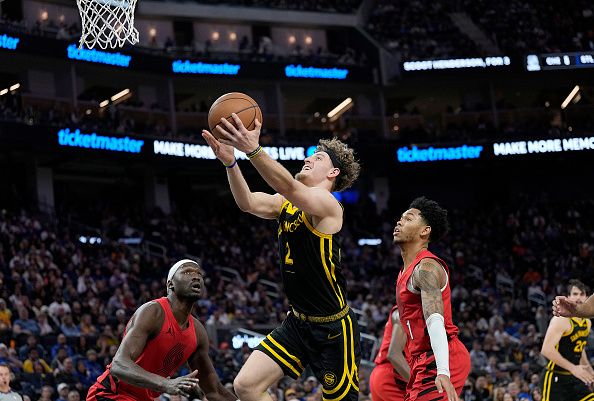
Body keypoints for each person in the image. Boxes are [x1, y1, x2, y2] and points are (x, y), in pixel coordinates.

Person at [202, 114, 362, 401]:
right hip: (298, 322)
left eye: (319, 158)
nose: (309, 159)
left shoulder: (328, 205)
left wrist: (252, 148)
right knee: (246, 386)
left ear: (333, 173)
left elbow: (288, 186)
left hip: (334, 328)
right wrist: (230, 163)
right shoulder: (285, 204)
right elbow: (248, 202)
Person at [86, 259, 237, 401]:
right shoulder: (154, 311)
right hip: (110, 394)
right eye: (188, 272)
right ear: (170, 284)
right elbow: (118, 365)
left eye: (199, 274)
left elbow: (214, 391)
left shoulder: (198, 332)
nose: (196, 277)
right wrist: (167, 384)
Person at [393, 197, 470, 401]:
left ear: (424, 231)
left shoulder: (426, 268)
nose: (399, 222)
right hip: (421, 359)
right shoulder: (404, 272)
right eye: (400, 218)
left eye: (408, 219)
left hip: (440, 358)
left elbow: (435, 318)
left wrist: (443, 370)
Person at [541, 279, 594, 401]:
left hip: (575, 379)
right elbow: (546, 350)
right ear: (568, 297)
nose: (579, 297)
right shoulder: (561, 319)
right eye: (575, 294)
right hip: (555, 378)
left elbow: (579, 349)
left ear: (587, 297)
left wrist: (589, 370)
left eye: (582, 294)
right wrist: (573, 368)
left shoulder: (587, 322)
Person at [369, 305, 409, 401]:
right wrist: (419, 385)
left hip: (382, 374)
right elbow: (394, 355)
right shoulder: (405, 311)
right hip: (392, 377)